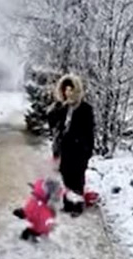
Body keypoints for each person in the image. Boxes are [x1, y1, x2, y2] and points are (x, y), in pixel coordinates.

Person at [46, 73, 95, 217]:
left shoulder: (85, 108)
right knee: (65, 177)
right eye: (65, 89)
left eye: (70, 89)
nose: (68, 93)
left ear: (76, 90)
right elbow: (52, 124)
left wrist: (87, 150)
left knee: (77, 178)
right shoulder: (62, 108)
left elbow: (89, 131)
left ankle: (77, 206)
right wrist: (55, 108)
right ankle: (68, 204)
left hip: (79, 150)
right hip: (64, 149)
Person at [13, 177, 62, 241]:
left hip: (37, 222)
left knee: (29, 232)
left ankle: (24, 215)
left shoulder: (44, 208)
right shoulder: (41, 188)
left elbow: (48, 218)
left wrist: (50, 224)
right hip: (34, 212)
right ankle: (24, 214)